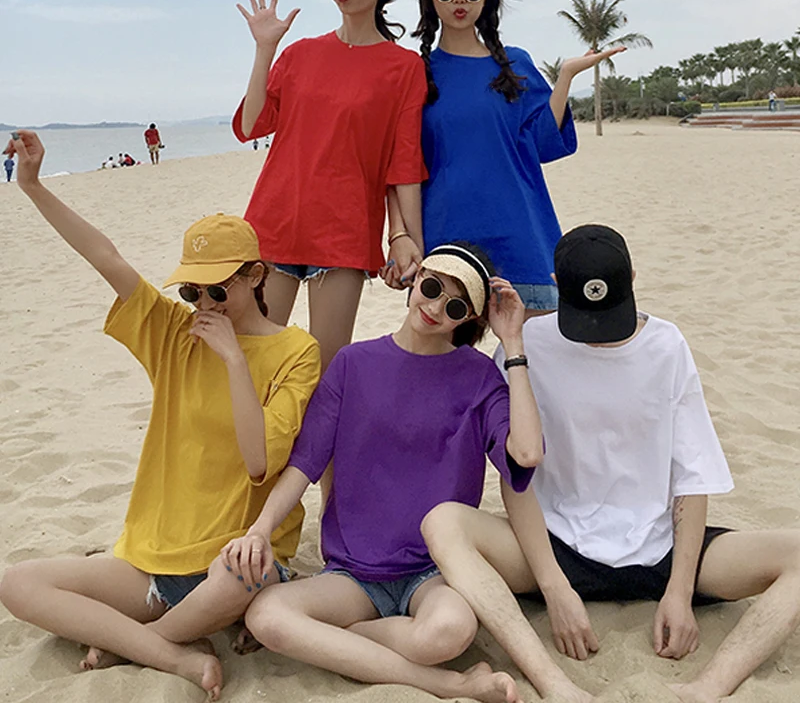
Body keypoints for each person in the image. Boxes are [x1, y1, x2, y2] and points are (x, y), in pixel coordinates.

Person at [0, 131, 321, 700]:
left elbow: (258, 462)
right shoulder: (176, 332)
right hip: (152, 557)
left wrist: (234, 360)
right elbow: (107, 258)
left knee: (240, 574)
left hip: (233, 559)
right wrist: (32, 186)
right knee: (18, 584)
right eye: (193, 292)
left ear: (256, 275)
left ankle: (137, 643)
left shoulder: (297, 351)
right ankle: (170, 651)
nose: (204, 305)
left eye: (218, 290)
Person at [422, 224, 800, 703]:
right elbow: (517, 475)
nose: (598, 338)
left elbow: (692, 473)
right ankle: (554, 684)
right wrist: (555, 589)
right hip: (557, 548)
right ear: (556, 285)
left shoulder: (666, 346)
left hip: (659, 546)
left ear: (633, 279)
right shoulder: (525, 345)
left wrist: (680, 593)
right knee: (444, 523)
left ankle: (707, 689)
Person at [220, 243, 544, 702]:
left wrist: (513, 345)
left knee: (450, 632)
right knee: (266, 616)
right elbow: (304, 464)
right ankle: (448, 685)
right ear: (416, 279)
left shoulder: (479, 377)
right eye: (431, 288)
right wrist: (260, 529)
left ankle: (343, 640)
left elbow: (526, 453)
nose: (435, 308)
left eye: (455, 306)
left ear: (468, 318)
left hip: (433, 571)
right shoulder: (352, 363)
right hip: (353, 573)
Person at [385, 0, 625, 315]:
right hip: (445, 240)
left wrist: (564, 78)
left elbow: (544, 144)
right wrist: (399, 236)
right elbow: (400, 164)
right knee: (444, 351)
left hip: (520, 235)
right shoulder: (415, 73)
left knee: (530, 349)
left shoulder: (514, 64)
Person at [231, 0, 428, 374]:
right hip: (274, 224)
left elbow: (403, 163)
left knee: (324, 371)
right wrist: (265, 50)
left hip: (345, 233)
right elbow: (249, 126)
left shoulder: (404, 67)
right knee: (254, 365)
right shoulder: (299, 54)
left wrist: (410, 242)